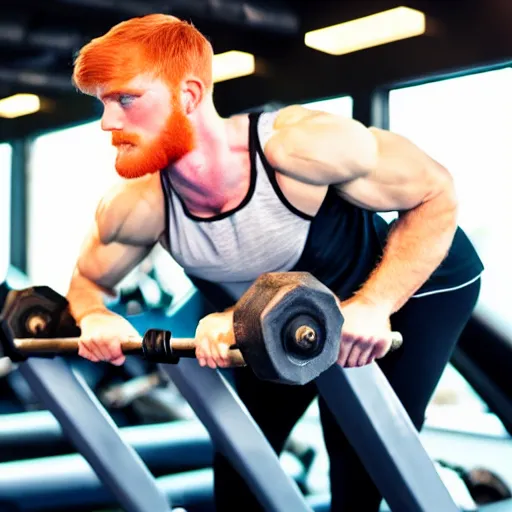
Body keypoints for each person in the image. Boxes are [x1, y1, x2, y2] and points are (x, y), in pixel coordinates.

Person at [66, 13, 484, 511]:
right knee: (243, 454)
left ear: (190, 95)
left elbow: (437, 193)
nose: (108, 123)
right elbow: (88, 283)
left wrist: (375, 304)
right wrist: (94, 317)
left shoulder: (297, 147)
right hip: (286, 319)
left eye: (125, 99)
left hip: (414, 288)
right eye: (103, 104)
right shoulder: (136, 206)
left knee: (360, 453)